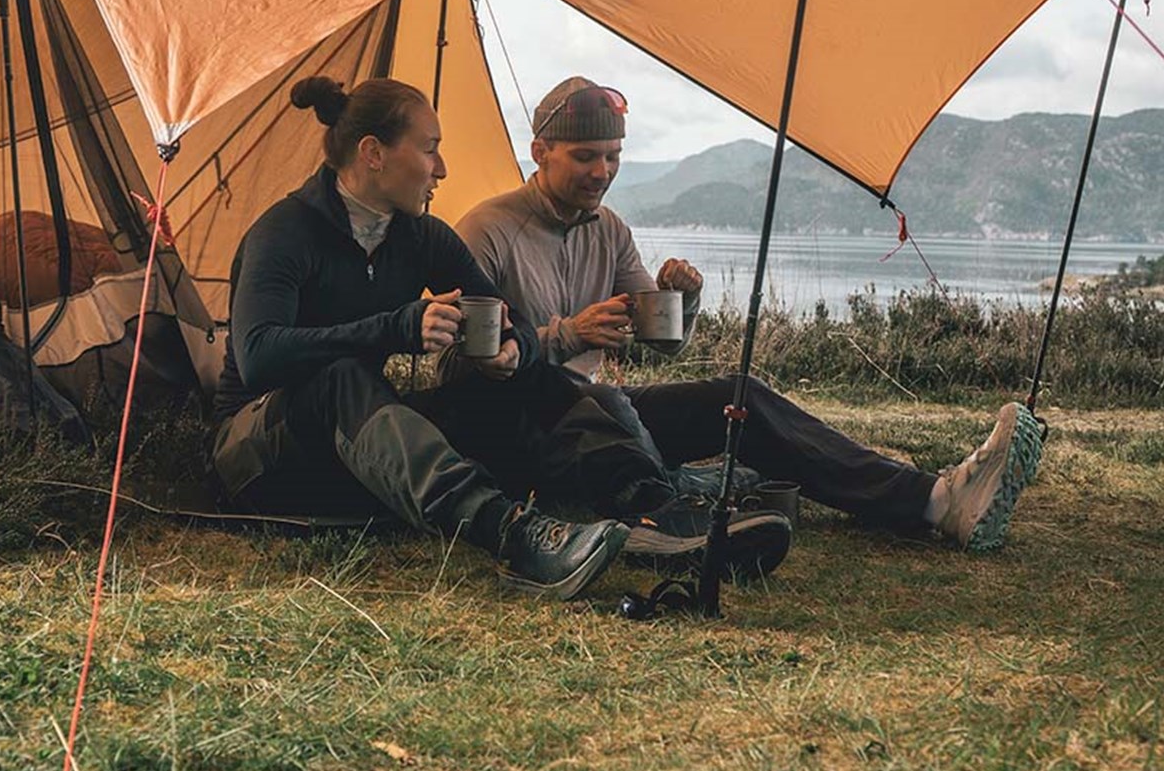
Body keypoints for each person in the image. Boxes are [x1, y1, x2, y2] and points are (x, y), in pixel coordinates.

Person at [211, 75, 788, 600]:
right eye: (430, 148)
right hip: (263, 453)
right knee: (341, 378)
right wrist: (397, 326)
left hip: (354, 457)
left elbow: (506, 318)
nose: (441, 170)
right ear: (374, 154)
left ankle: (655, 508)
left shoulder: (421, 237)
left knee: (523, 383)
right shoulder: (283, 234)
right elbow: (260, 357)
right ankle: (512, 533)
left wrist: (515, 350)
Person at [454, 76, 1041, 553]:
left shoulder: (610, 229)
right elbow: (462, 363)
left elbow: (666, 342)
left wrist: (683, 299)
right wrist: (567, 335)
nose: (602, 172)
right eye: (585, 157)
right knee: (602, 400)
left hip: (603, 425)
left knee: (739, 395)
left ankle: (935, 501)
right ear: (539, 152)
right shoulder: (488, 229)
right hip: (523, 431)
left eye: (613, 157)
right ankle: (680, 513)